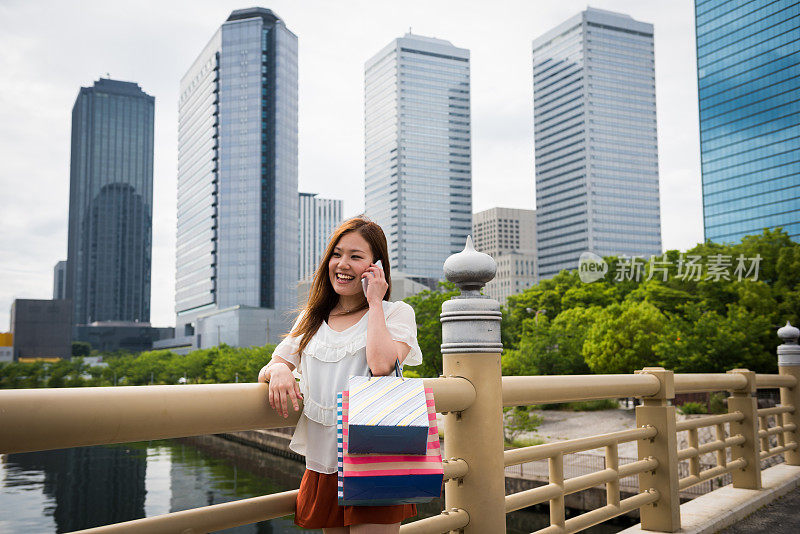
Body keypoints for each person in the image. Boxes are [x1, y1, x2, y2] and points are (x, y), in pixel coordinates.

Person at [258, 217, 423, 533]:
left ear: (375, 266)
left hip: (377, 455)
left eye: (356, 256)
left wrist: (375, 301)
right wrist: (279, 369)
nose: (342, 264)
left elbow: (382, 364)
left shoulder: (396, 313)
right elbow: (274, 364)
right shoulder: (313, 317)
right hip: (324, 462)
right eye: (337, 253)